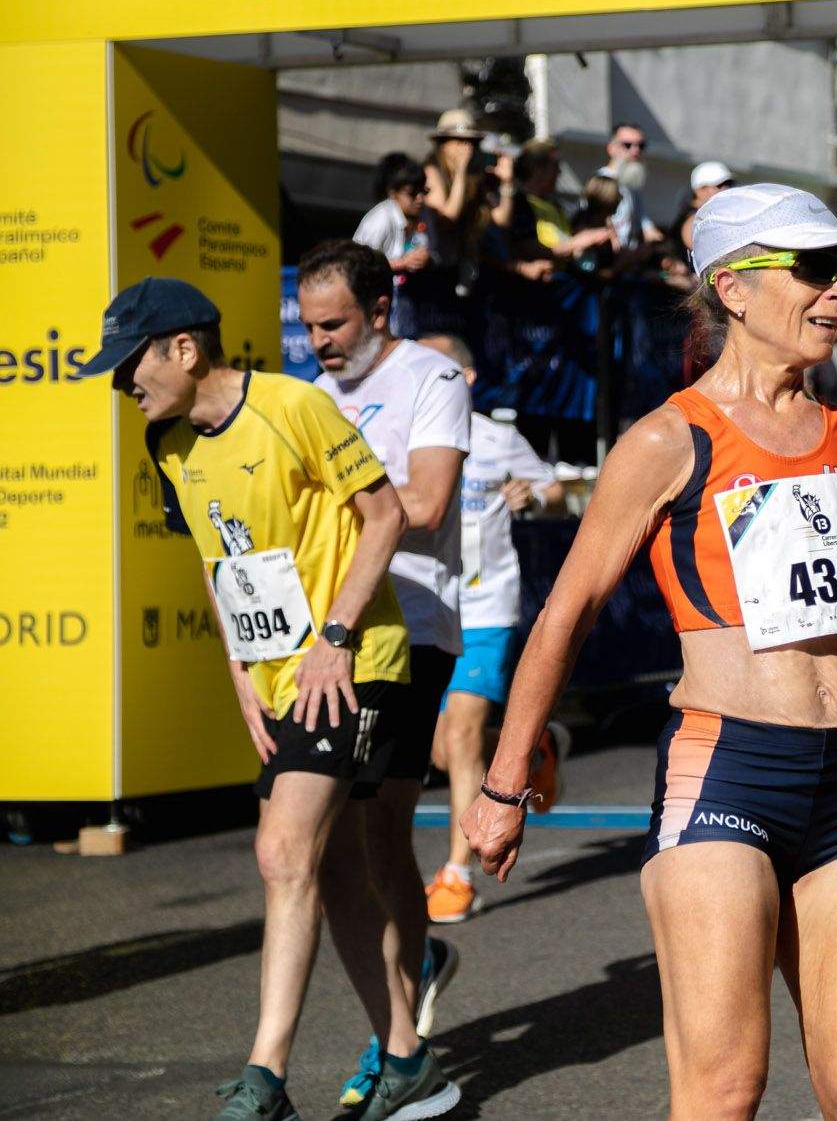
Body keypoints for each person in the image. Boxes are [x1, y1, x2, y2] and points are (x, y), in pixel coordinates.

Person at [459, 183, 837, 1119]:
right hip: (728, 770)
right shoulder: (668, 439)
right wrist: (505, 784)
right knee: (722, 1092)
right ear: (735, 289)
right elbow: (566, 613)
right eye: (815, 270)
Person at [81, 278, 457, 1121]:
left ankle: (266, 1076)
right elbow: (222, 568)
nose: (123, 386)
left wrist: (336, 636)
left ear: (185, 347)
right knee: (329, 868)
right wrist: (242, 672)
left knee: (281, 849)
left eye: (130, 364)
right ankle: (405, 1056)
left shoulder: (293, 405)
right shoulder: (167, 442)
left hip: (356, 662)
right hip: (282, 676)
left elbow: (386, 515)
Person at [296, 240, 472, 1107]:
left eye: (333, 325)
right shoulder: (312, 398)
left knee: (369, 831)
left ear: (379, 308)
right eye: (309, 327)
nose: (320, 342)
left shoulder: (431, 381)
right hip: (336, 631)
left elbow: (429, 504)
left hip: (416, 628)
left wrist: (349, 514)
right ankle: (413, 981)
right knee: (359, 835)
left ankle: (398, 1027)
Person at [413, 334, 569, 923]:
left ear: (466, 377)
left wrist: (532, 495)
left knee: (463, 737)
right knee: (442, 747)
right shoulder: (406, 438)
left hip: (487, 606)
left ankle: (456, 874)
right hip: (429, 604)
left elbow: (555, 492)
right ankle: (532, 752)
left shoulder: (497, 438)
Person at [596, 121, 664, 251]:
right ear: (611, 148)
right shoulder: (601, 181)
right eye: (627, 145)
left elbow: (647, 228)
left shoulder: (631, 185)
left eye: (641, 145)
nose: (635, 150)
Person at [421, 109, 483, 225]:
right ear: (443, 144)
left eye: (472, 141)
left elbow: (500, 220)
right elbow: (448, 217)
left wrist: (507, 183)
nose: (467, 146)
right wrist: (461, 171)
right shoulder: (431, 172)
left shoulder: (474, 174)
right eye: (460, 140)